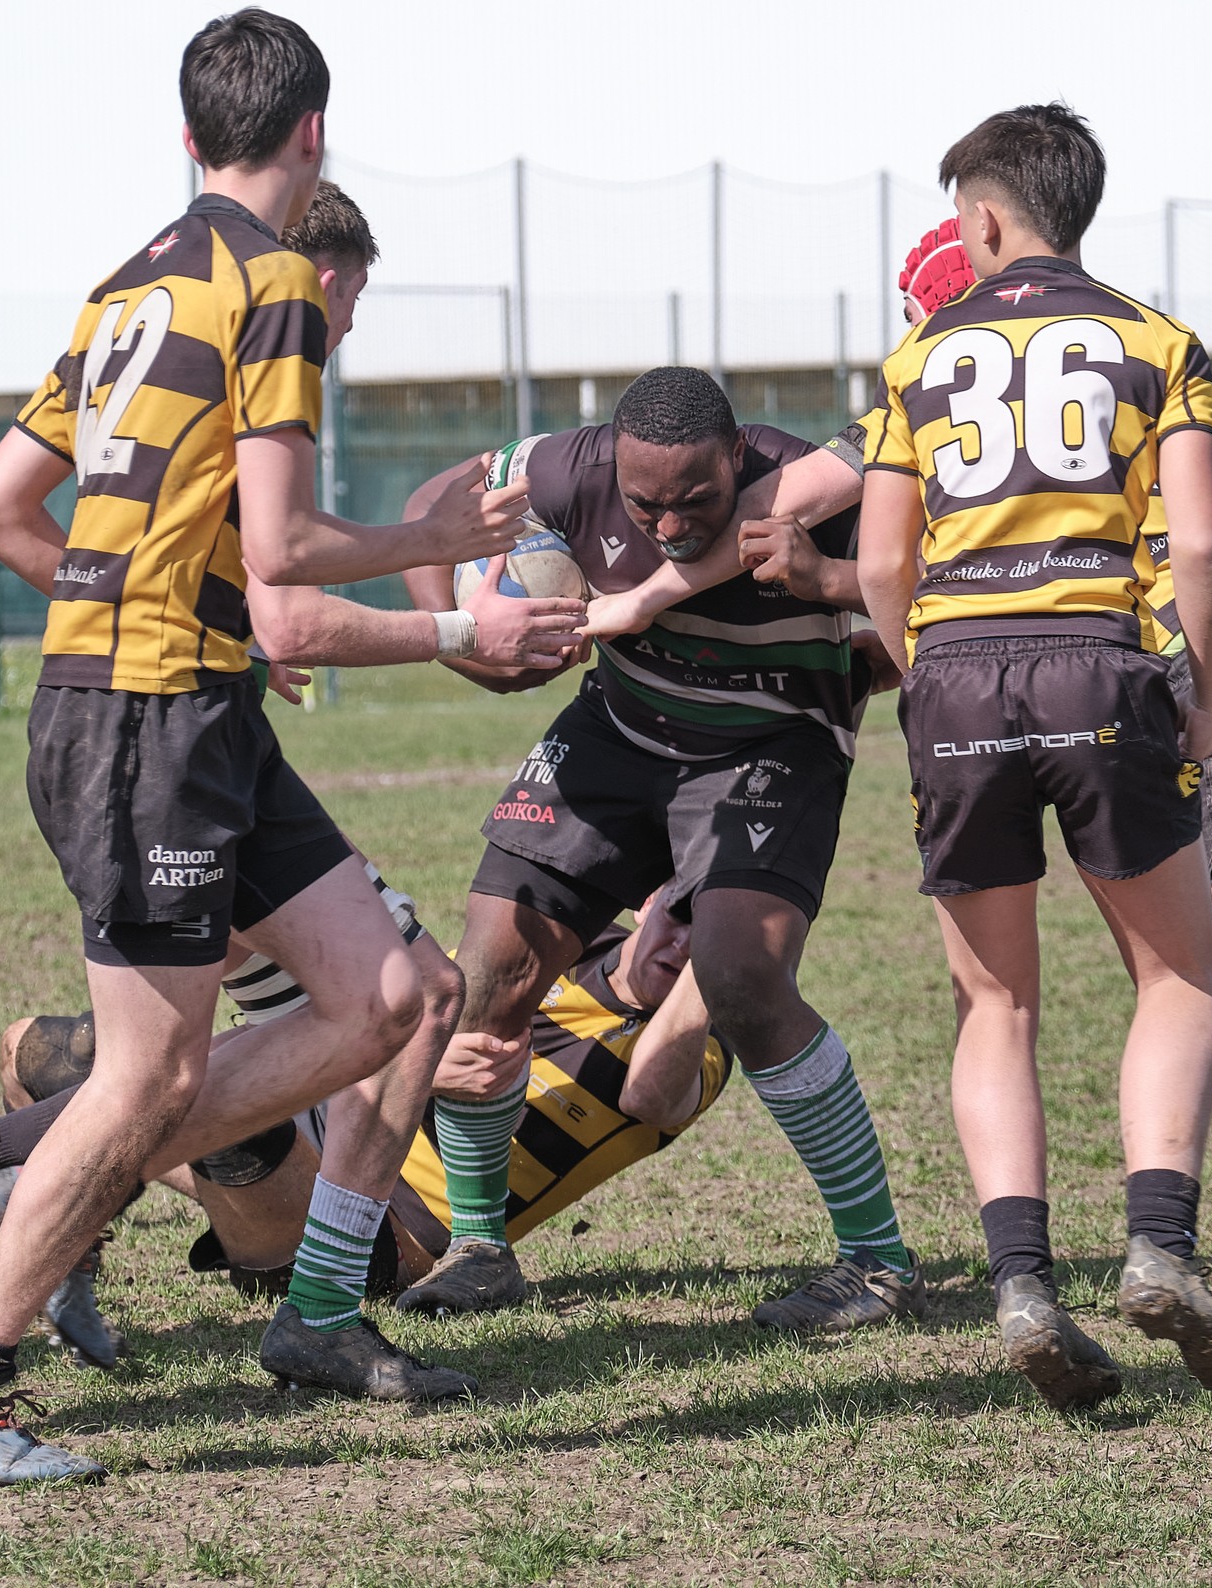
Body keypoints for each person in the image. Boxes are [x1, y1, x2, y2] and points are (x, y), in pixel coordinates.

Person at [603, 220, 1212, 1337]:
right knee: (1209, 973)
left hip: (1201, 663)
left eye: (918, 308)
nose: (918, 331)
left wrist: (643, 596)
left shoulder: (952, 371)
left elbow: (799, 513)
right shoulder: (1101, 355)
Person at [0, 11, 530, 1485]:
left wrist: (150, 605)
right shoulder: (277, 279)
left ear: (190, 138)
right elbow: (288, 550)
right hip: (148, 726)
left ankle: (10, 1165)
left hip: (178, 703)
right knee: (151, 1078)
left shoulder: (128, 287)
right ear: (314, 135)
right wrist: (436, 559)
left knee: (398, 991)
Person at [856, 104, 1212, 1411]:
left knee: (996, 1002)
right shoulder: (1159, 341)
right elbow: (1196, 552)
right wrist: (1197, 700)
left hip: (961, 675)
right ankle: (1156, 1249)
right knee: (1179, 973)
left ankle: (1025, 1284)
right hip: (1102, 661)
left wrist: (931, 677)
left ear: (981, 215)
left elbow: (878, 561)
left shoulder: (919, 354)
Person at [397, 365, 926, 1338]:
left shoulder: (809, 483)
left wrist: (847, 639)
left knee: (740, 979)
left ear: (737, 459)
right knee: (489, 972)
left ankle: (878, 1261)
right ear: (612, 465)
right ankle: (479, 1247)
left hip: (772, 743)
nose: (671, 525)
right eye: (646, 506)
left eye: (695, 501)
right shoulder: (566, 468)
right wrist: (456, 632)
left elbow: (926, 588)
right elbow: (436, 498)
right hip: (619, 729)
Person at [0, 896, 732, 1352]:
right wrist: (422, 1053)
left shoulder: (699, 1039)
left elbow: (652, 1093)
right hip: (321, 1126)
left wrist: (714, 967)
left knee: (237, 1119)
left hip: (383, 1236)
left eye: (707, 935)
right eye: (679, 915)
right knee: (40, 1050)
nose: (679, 942)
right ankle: (52, 1241)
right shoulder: (551, 956)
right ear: (644, 898)